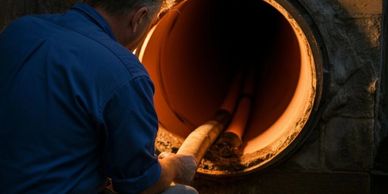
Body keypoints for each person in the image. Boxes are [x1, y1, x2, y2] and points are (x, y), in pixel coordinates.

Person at [0, 0, 198, 193]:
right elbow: (141, 185)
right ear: (140, 17)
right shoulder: (125, 73)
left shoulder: (18, 29)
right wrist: (175, 165)